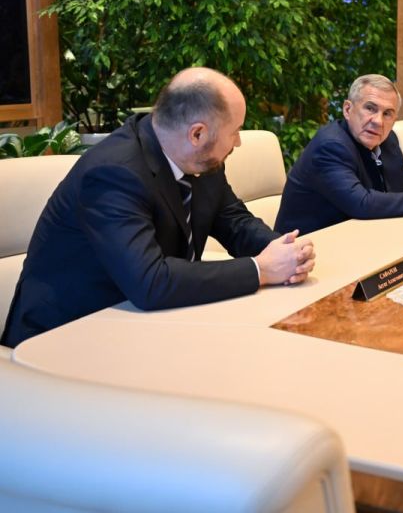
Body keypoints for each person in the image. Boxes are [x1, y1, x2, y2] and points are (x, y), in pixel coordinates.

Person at [1, 68, 315, 348]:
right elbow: (150, 282)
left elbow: (233, 220)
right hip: (64, 340)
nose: (238, 142)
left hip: (145, 323)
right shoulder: (113, 173)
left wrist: (284, 251)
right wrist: (260, 270)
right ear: (197, 134)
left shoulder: (201, 160)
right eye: (235, 131)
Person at [274, 74, 403, 234]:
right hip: (307, 250)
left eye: (387, 113)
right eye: (370, 108)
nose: (378, 121)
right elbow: (361, 203)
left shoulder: (387, 139)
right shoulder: (330, 146)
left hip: (361, 237)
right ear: (347, 109)